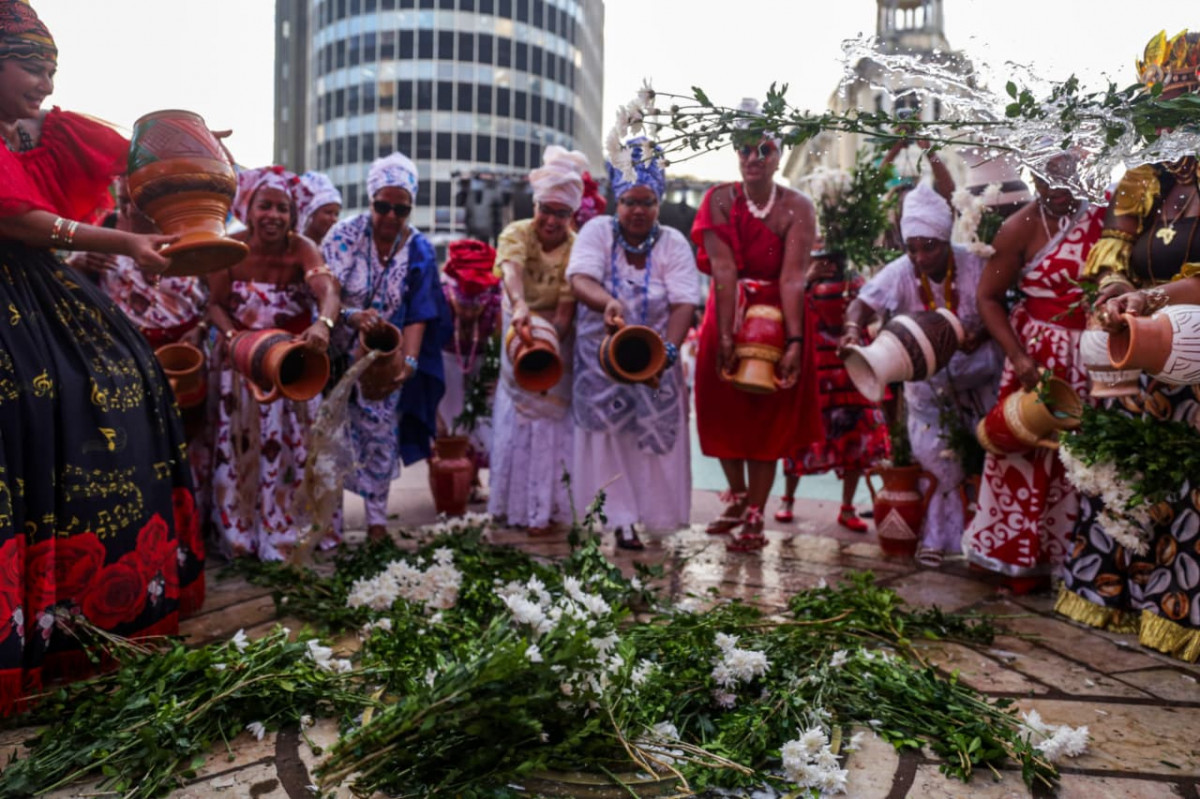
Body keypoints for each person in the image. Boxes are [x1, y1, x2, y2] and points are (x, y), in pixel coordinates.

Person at [0, 1, 203, 714]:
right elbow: (16, 216)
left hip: (37, 286)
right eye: (33, 66)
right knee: (26, 396)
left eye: (54, 68)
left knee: (128, 372)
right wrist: (128, 244)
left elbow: (122, 151)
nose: (46, 83)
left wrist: (183, 152)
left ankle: (84, 614)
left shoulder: (37, 130)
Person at [1055, 29, 1200, 661]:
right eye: (1160, 110)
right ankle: (1120, 595)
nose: (1168, 123)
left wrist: (1157, 299)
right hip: (1147, 357)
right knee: (1132, 477)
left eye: (1181, 107)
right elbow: (1113, 256)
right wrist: (1117, 291)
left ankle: (1183, 610)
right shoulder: (1145, 179)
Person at [961, 152, 1105, 592]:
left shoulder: (1108, 217)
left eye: (1065, 174)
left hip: (1095, 358)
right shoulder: (1019, 226)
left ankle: (1080, 566)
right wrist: (1019, 358)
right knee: (1023, 451)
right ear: (1032, 177)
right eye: (1046, 176)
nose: (1057, 186)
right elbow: (988, 298)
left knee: (1086, 460)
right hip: (1035, 360)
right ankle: (1015, 559)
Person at [840, 183, 1004, 565]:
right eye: (911, 248)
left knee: (986, 459)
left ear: (945, 239)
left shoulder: (974, 262)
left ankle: (984, 542)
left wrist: (977, 335)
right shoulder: (900, 271)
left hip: (981, 379)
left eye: (928, 246)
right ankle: (936, 539)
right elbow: (861, 305)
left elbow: (999, 304)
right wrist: (851, 331)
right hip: (927, 387)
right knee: (935, 462)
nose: (919, 256)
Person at [692, 122, 822, 552]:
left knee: (768, 418)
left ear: (778, 156)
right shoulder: (718, 199)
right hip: (728, 310)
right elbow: (724, 271)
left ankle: (754, 515)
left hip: (779, 317)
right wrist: (727, 334)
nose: (754, 158)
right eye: (746, 150)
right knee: (721, 408)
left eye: (764, 150)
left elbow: (792, 278)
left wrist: (795, 342)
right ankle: (739, 496)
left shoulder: (799, 206)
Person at [566, 138, 699, 549]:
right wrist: (609, 303)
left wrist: (668, 353)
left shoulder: (673, 243)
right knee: (609, 440)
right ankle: (618, 520)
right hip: (601, 361)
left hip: (657, 359)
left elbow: (683, 302)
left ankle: (654, 517)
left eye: (647, 201)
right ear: (616, 202)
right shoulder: (596, 232)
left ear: (658, 202)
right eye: (628, 201)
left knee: (652, 442)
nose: (637, 210)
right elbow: (579, 279)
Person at [206, 166, 341, 560]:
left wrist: (323, 322)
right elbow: (214, 304)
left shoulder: (302, 248)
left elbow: (327, 289)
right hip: (243, 369)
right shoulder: (229, 248)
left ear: (294, 215)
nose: (274, 216)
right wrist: (233, 339)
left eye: (283, 209)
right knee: (242, 448)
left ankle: (294, 530)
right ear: (248, 210)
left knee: (296, 452)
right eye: (265, 206)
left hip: (293, 367)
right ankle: (242, 535)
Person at [324, 152, 448, 541]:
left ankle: (377, 521)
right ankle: (330, 524)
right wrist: (350, 316)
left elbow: (420, 311)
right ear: (370, 200)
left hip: (383, 356)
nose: (392, 216)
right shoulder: (344, 236)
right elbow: (323, 291)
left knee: (379, 439)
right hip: (337, 354)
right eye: (383, 206)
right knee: (333, 437)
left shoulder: (419, 248)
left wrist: (407, 362)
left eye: (401, 209)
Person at [488, 146, 587, 535]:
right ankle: (511, 508)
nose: (551, 219)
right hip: (518, 329)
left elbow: (565, 313)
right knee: (516, 425)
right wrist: (520, 310)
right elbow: (511, 274)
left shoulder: (577, 247)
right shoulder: (516, 233)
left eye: (561, 213)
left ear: (571, 215)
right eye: (546, 209)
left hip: (553, 345)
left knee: (551, 428)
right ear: (536, 206)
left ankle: (546, 512)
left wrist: (543, 345)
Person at [776, 250, 890, 531]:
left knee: (856, 436)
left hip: (851, 369)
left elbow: (875, 313)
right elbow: (785, 311)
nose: (829, 262)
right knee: (800, 434)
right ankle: (787, 500)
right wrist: (806, 280)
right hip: (814, 368)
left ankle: (847, 508)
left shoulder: (858, 283)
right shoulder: (805, 282)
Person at [438, 238, 501, 503]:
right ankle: (454, 482)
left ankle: (476, 477)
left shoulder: (496, 303)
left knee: (482, 420)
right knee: (451, 421)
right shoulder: (440, 299)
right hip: (447, 359)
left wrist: (495, 376)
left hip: (482, 360)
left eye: (476, 306)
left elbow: (499, 346)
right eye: (463, 305)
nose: (468, 312)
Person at [296, 170, 342, 245]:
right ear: (310, 213)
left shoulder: (336, 249)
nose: (334, 219)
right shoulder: (292, 248)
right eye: (328, 212)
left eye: (336, 214)